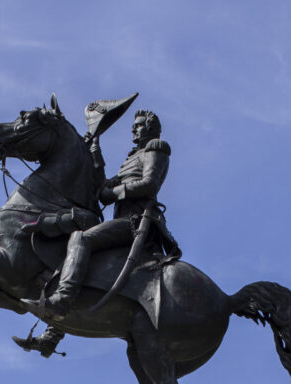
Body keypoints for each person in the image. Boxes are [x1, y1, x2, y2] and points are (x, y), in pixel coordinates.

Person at [13, 109, 179, 356]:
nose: (134, 129)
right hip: (124, 222)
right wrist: (95, 148)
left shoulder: (156, 147)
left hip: (136, 222)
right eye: (133, 126)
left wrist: (114, 193)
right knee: (79, 259)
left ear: (151, 128)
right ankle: (53, 334)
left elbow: (149, 184)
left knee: (81, 239)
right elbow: (103, 185)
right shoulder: (131, 158)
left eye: (139, 125)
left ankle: (62, 299)